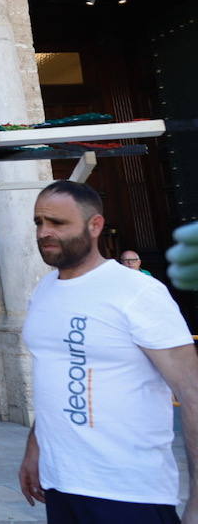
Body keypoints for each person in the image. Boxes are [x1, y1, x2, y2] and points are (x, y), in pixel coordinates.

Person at [19, 180, 198, 524]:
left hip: (129, 493)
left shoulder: (137, 291)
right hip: (62, 485)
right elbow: (56, 375)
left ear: (95, 225)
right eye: (39, 223)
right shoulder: (44, 290)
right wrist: (34, 448)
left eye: (57, 223)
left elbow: (191, 393)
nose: (44, 232)